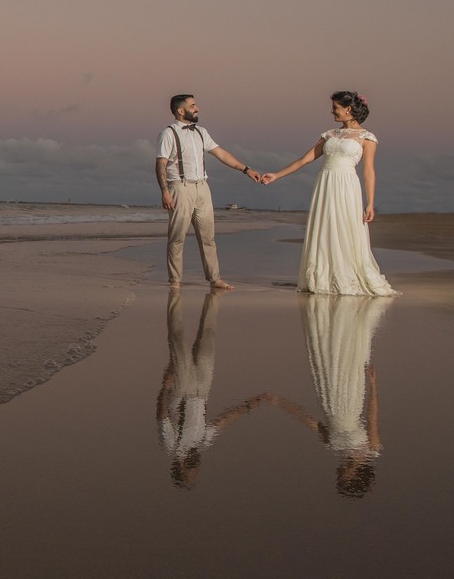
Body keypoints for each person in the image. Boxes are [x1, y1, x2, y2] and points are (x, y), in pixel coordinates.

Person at [260, 91, 397, 296]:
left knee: (344, 227)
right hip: (325, 183)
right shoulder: (329, 135)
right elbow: (304, 160)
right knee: (325, 226)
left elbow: (369, 171)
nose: (331, 111)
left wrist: (370, 203)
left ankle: (345, 275)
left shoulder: (367, 138)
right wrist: (276, 175)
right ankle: (322, 276)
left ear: (348, 109)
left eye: (335, 107)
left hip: (347, 185)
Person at [269, 294, 391, 497]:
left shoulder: (333, 446)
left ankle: (332, 316)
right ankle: (350, 315)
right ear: (354, 477)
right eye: (342, 478)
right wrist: (373, 386)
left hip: (329, 396)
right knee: (346, 359)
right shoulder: (372, 449)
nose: (338, 474)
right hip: (352, 399)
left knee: (328, 356)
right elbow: (372, 418)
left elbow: (308, 421)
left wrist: (280, 402)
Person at [155, 288, 267, 489]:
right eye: (195, 474)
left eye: (191, 474)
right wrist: (249, 405)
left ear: (179, 468)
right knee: (208, 337)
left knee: (179, 337)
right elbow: (223, 421)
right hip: (203, 390)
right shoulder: (201, 443)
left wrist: (165, 385)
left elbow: (162, 416)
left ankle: (175, 298)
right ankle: (213, 300)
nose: (196, 471)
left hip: (182, 391)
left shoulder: (172, 446)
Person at [156, 94, 260, 290]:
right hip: (180, 187)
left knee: (208, 237)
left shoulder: (202, 132)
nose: (198, 109)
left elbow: (221, 154)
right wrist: (165, 192)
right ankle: (175, 281)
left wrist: (246, 170)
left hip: (203, 187)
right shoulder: (168, 133)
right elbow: (160, 163)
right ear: (181, 111)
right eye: (193, 105)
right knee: (177, 237)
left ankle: (215, 279)